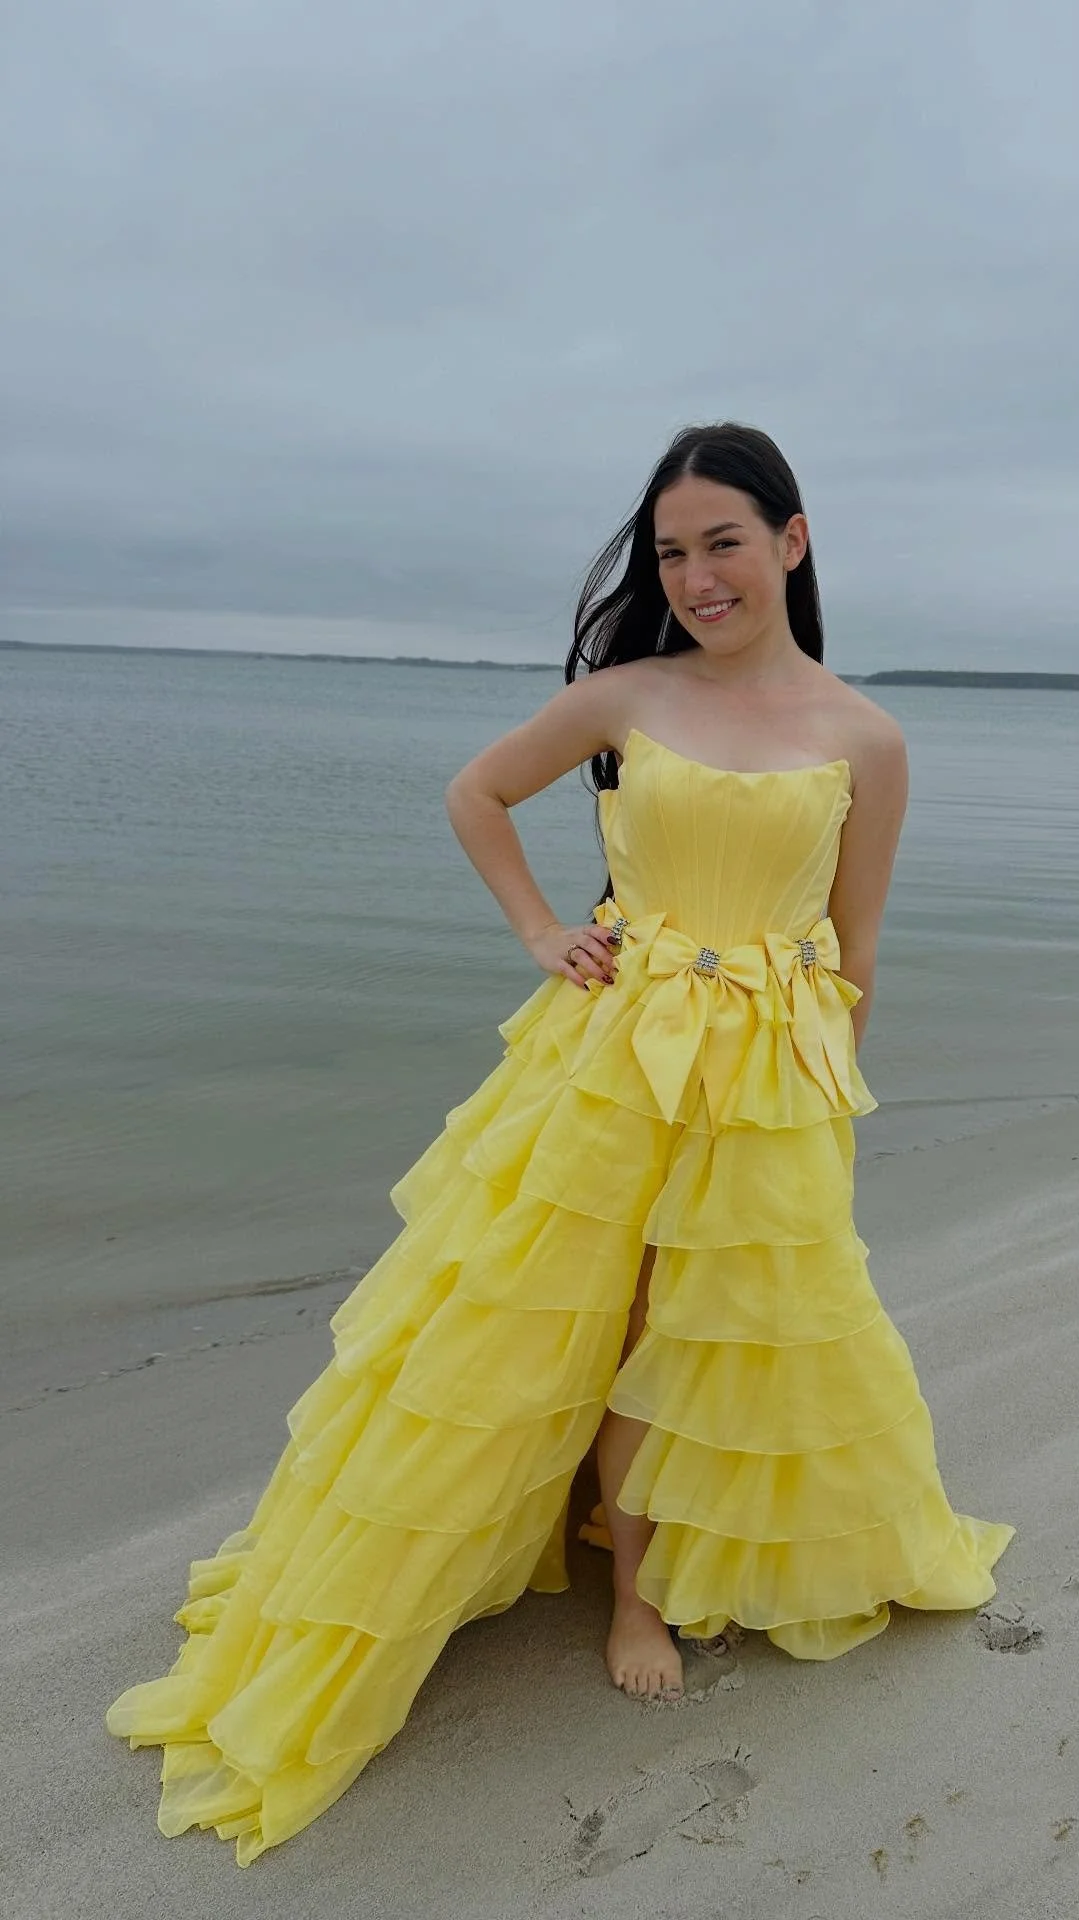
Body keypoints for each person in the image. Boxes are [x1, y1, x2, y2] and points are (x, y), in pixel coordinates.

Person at [105, 420, 1015, 1865]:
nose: (698, 576)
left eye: (724, 542)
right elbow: (476, 794)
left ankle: (644, 1570)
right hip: (613, 1055)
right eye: (673, 552)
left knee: (703, 1322)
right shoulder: (625, 694)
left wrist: (832, 1098)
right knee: (576, 1316)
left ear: (791, 541)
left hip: (768, 1074)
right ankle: (629, 1595)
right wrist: (542, 930)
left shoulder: (867, 737)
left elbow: (856, 947)